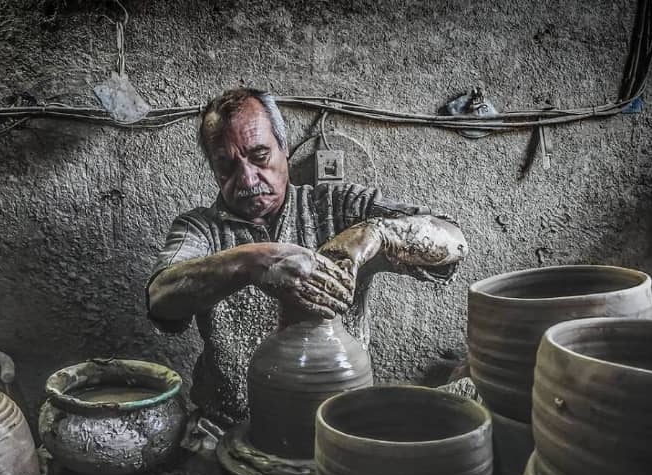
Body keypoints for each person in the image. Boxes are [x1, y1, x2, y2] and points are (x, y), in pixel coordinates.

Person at [146, 87, 468, 433]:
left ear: (284, 148)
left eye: (259, 156)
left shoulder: (338, 206)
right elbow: (160, 298)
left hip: (339, 427)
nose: (248, 179)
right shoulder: (200, 229)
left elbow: (453, 240)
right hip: (226, 429)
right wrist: (251, 261)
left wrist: (375, 235)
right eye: (226, 165)